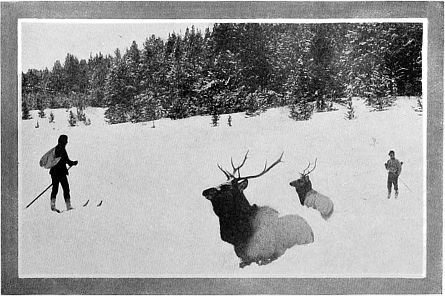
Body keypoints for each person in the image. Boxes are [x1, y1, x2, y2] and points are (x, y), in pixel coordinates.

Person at [49, 135, 78, 212]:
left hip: (54, 172)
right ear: (63, 141)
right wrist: (73, 163)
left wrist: (72, 163)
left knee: (55, 189)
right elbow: (66, 160)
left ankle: (53, 205)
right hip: (61, 173)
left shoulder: (56, 149)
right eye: (66, 141)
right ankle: (68, 206)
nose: (67, 142)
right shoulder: (62, 149)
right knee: (66, 188)